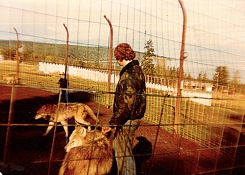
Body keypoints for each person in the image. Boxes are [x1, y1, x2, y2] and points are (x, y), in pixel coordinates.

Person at [102, 43, 146, 175]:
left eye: (117, 58)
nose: (117, 61)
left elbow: (127, 104)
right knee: (119, 146)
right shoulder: (137, 70)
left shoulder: (129, 75)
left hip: (128, 119)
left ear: (120, 57)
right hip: (133, 117)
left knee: (123, 153)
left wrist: (112, 123)